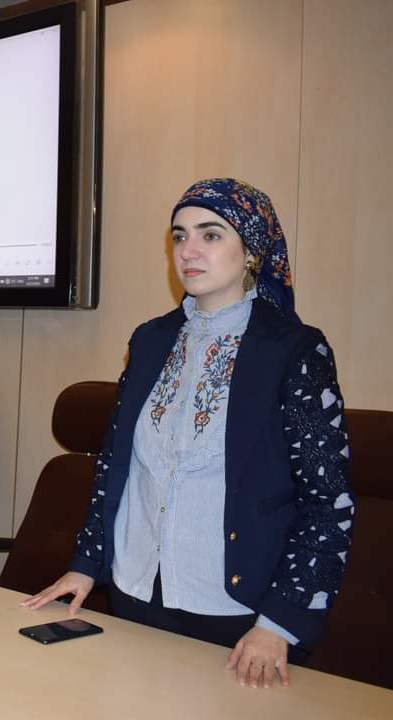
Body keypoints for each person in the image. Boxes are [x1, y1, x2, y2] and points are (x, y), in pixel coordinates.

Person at [22, 178, 354, 689]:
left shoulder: (293, 350)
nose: (188, 250)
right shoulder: (150, 340)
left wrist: (280, 622)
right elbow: (116, 467)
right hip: (135, 594)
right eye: (179, 236)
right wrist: (86, 564)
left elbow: (328, 501)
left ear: (251, 252)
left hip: (237, 618)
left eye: (211, 234)